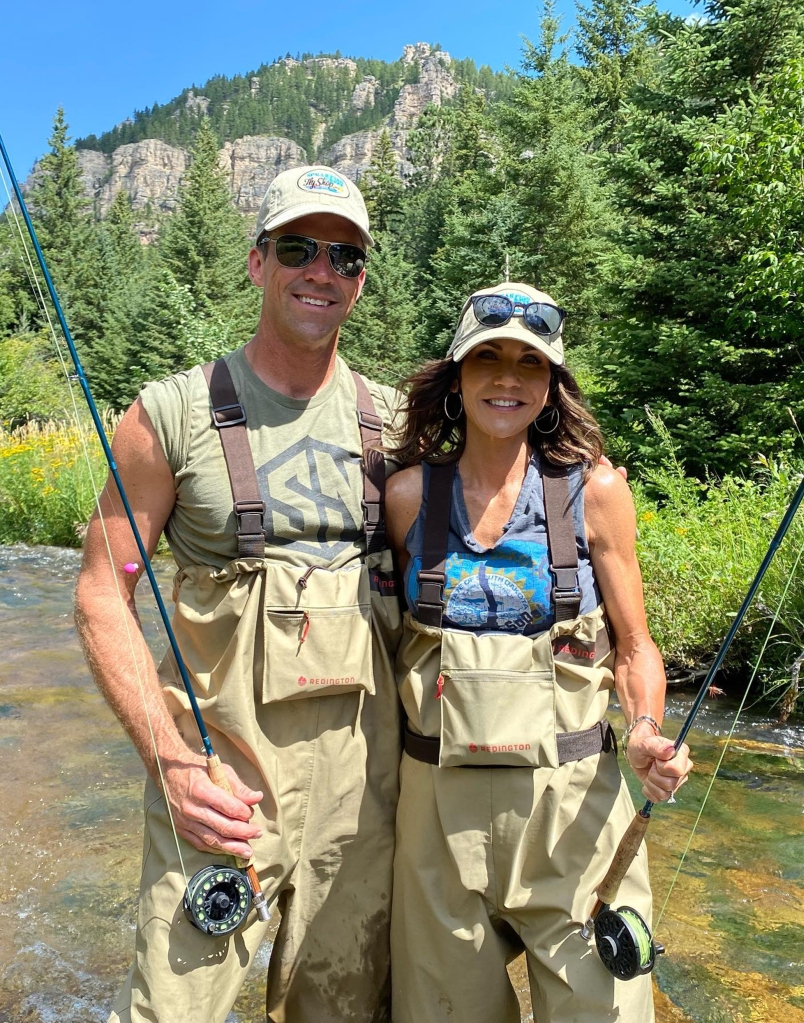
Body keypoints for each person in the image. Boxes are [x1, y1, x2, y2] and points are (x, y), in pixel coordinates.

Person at [75, 165, 402, 1022]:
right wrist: (169, 761)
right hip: (220, 785)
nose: (321, 271)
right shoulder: (170, 414)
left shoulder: (399, 424)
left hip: (364, 799)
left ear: (362, 279)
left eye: (345, 256)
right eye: (298, 248)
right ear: (258, 263)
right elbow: (100, 595)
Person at [384, 282, 693, 1023]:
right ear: (455, 375)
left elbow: (635, 645)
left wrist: (647, 728)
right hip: (436, 824)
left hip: (575, 816)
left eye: (529, 362)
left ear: (552, 384)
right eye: (486, 356)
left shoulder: (595, 492)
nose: (506, 377)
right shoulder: (404, 498)